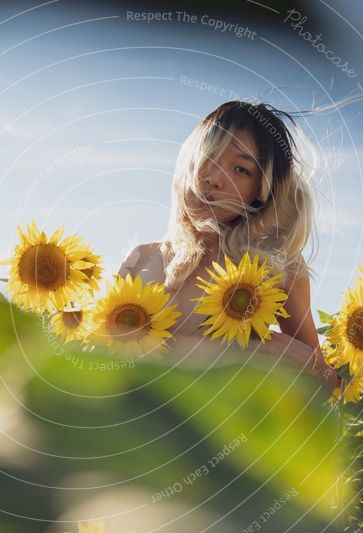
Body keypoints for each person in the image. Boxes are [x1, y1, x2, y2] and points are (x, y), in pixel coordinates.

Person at [117, 100, 337, 397]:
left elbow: (325, 382)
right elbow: (112, 362)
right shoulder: (142, 260)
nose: (213, 178)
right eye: (209, 156)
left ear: (260, 194)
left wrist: (300, 360)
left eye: (240, 169)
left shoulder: (277, 268)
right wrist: (257, 350)